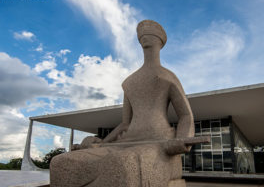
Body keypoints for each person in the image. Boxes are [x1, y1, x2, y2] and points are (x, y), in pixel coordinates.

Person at [50, 20, 194, 187]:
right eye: (141, 34)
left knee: (123, 165)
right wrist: (102, 143)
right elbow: (125, 124)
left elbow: (186, 115)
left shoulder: (168, 76)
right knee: (62, 162)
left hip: (159, 144)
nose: (144, 36)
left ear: (159, 41)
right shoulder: (130, 82)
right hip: (126, 142)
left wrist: (181, 140)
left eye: (150, 33)